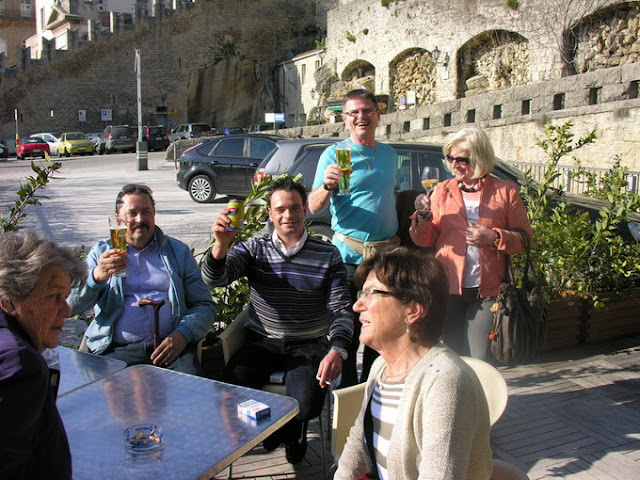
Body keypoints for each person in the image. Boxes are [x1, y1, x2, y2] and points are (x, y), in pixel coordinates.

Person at [201, 177, 353, 464]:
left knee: (307, 406)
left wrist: (337, 349)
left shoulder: (327, 253)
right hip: (262, 341)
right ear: (270, 213)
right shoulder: (255, 248)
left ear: (305, 210)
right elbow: (215, 279)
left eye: (294, 208)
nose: (288, 215)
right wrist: (221, 245)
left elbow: (341, 308)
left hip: (308, 344)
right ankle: (276, 429)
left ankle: (290, 430)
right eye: (280, 209)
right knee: (229, 393)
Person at [335, 247, 493, 480]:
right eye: (361, 293)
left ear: (412, 310)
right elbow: (356, 445)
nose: (357, 305)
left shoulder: (445, 382)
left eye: (371, 293)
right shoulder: (381, 367)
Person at [410, 127, 533, 360]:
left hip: (487, 291)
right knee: (451, 358)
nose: (454, 164)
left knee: (477, 359)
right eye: (450, 158)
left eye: (462, 159)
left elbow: (525, 239)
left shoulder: (505, 191)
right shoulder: (442, 191)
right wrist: (423, 217)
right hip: (448, 288)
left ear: (479, 157)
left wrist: (494, 237)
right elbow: (424, 240)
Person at [68, 184, 216, 375]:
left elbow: (205, 305)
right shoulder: (101, 253)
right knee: (105, 391)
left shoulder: (177, 252)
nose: (140, 219)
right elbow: (71, 306)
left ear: (154, 215)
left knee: (190, 389)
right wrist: (96, 277)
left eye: (146, 212)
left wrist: (183, 334)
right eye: (132, 213)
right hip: (117, 349)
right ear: (118, 219)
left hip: (170, 348)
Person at [308, 88, 398, 386]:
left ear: (378, 115)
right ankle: (347, 397)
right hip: (348, 258)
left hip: (383, 260)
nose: (361, 117)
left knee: (380, 335)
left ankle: (373, 395)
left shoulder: (389, 154)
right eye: (354, 112)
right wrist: (327, 185)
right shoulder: (334, 155)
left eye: (367, 110)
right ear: (345, 118)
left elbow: (392, 195)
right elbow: (313, 206)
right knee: (346, 334)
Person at [0, 230, 86, 479]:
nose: (67, 311)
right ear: (10, 300)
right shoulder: (19, 364)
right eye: (54, 296)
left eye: (66, 297)